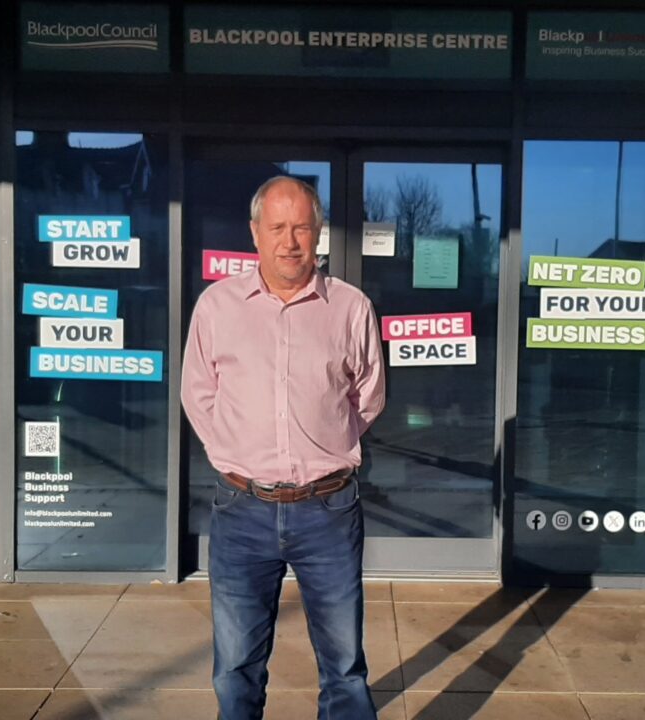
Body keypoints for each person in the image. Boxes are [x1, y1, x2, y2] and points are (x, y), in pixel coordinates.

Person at [181, 176, 386, 720]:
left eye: (301, 227)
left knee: (344, 668)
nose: (290, 240)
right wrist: (238, 452)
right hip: (241, 509)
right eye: (277, 227)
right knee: (235, 669)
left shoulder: (350, 308)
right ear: (255, 233)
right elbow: (198, 394)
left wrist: (323, 445)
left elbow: (367, 398)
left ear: (319, 232)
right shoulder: (217, 306)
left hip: (328, 510)